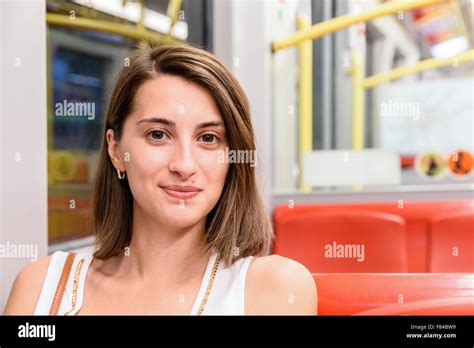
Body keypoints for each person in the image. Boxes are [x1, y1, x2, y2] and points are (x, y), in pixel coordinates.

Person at [4, 44, 317, 315]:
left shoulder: (273, 289)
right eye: (158, 134)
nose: (184, 164)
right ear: (115, 149)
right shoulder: (41, 287)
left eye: (208, 138)